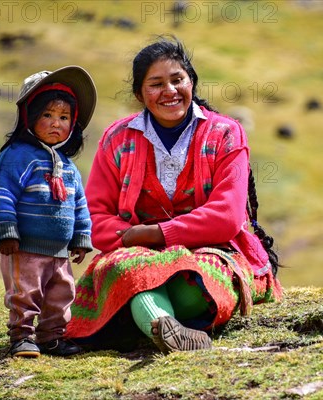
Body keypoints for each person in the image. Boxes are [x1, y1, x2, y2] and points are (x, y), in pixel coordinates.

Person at [65, 36, 282, 354]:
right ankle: (172, 330)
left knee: (189, 282)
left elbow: (228, 216)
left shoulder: (226, 134)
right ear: (140, 94)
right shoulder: (117, 139)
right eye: (156, 84)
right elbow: (94, 219)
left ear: (191, 82)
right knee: (127, 270)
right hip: (135, 254)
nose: (169, 91)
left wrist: (153, 233)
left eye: (177, 79)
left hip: (213, 251)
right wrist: (134, 243)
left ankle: (149, 318)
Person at [0, 66, 97, 357]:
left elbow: (79, 204)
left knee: (61, 294)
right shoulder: (15, 157)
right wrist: (6, 231)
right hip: (24, 249)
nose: (55, 123)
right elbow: (1, 195)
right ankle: (22, 336)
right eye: (47, 115)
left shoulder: (68, 166)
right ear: (29, 117)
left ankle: (51, 337)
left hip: (59, 252)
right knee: (25, 293)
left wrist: (81, 237)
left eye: (64, 117)